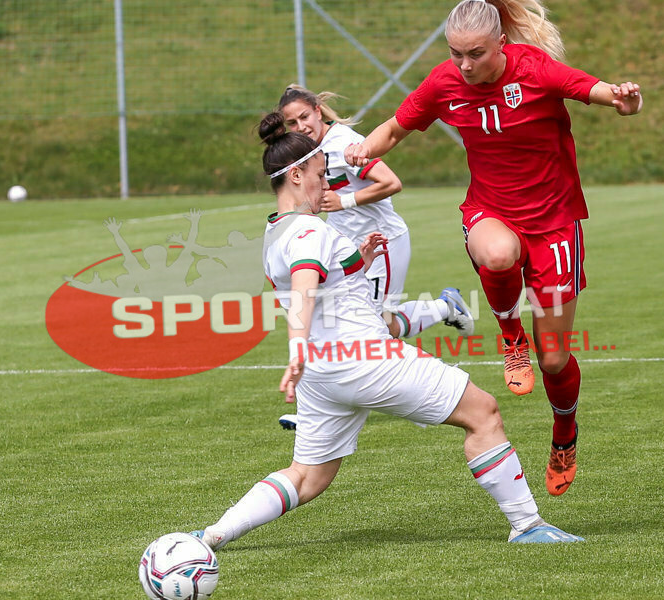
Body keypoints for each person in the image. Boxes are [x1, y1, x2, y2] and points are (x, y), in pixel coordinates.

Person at [188, 113, 583, 548]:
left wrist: (361, 257)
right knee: (483, 413)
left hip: (322, 377)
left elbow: (322, 277)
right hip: (365, 359)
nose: (329, 186)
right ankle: (527, 525)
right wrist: (295, 348)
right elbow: (304, 285)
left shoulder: (274, 230)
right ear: (296, 175)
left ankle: (212, 534)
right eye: (322, 176)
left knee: (308, 477)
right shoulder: (308, 230)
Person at [344, 0, 644, 497]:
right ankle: (510, 336)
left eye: (475, 54)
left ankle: (565, 432)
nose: (463, 65)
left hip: (554, 222)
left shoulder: (533, 68)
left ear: (501, 42)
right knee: (498, 254)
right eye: (455, 53)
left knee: (554, 359)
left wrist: (620, 98)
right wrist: (362, 147)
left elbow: (590, 88)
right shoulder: (445, 82)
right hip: (491, 209)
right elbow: (395, 127)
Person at [275, 84, 474, 431]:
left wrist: (345, 202)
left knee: (375, 327)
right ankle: (447, 307)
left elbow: (391, 182)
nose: (300, 127)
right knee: (332, 325)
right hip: (349, 252)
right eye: (291, 123)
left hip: (382, 245)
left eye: (304, 117)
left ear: (318, 111)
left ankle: (429, 371)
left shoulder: (343, 145)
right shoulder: (311, 152)